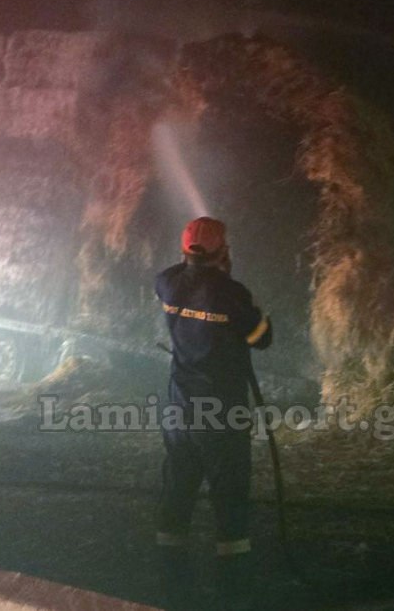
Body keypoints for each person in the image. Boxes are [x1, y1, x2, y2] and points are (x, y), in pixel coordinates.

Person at [154, 216, 272, 608]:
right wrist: (255, 310)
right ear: (223, 251)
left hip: (180, 407)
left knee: (177, 489)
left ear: (184, 250)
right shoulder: (232, 294)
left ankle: (171, 585)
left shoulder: (167, 283)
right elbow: (262, 338)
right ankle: (233, 592)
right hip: (221, 413)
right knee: (230, 496)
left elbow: (182, 291)